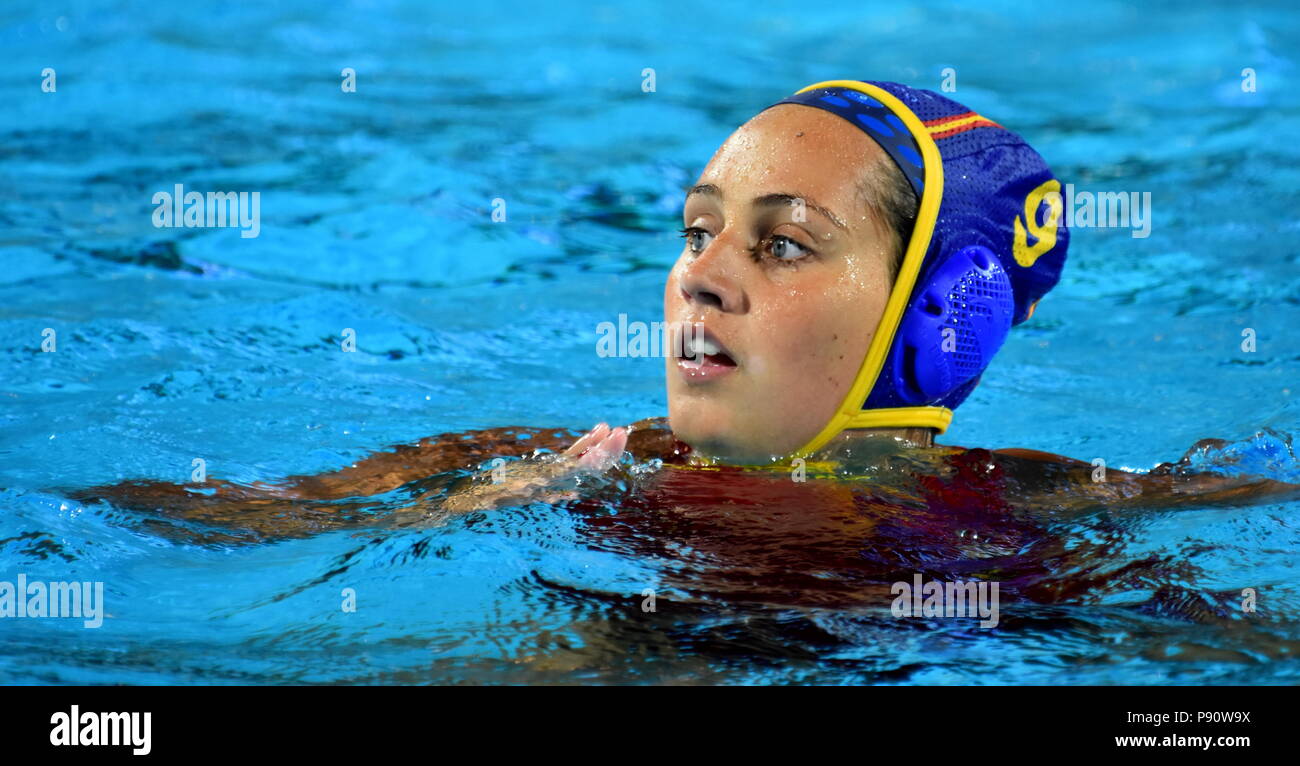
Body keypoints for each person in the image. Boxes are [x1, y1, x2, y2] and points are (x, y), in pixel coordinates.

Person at [73, 80, 1298, 541]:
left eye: (782, 243)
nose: (700, 275)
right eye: (698, 228)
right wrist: (457, 514)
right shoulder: (530, 465)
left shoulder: (1026, 529)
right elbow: (201, 524)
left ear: (932, 323)